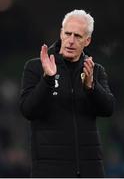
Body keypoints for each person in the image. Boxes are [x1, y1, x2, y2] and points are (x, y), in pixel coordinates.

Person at [19, 9, 115, 177]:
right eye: (67, 33)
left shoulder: (94, 70)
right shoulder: (35, 67)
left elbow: (108, 109)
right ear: (61, 33)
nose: (71, 41)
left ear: (87, 41)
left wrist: (91, 86)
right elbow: (28, 110)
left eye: (77, 36)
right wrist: (48, 80)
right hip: (49, 171)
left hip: (90, 170)